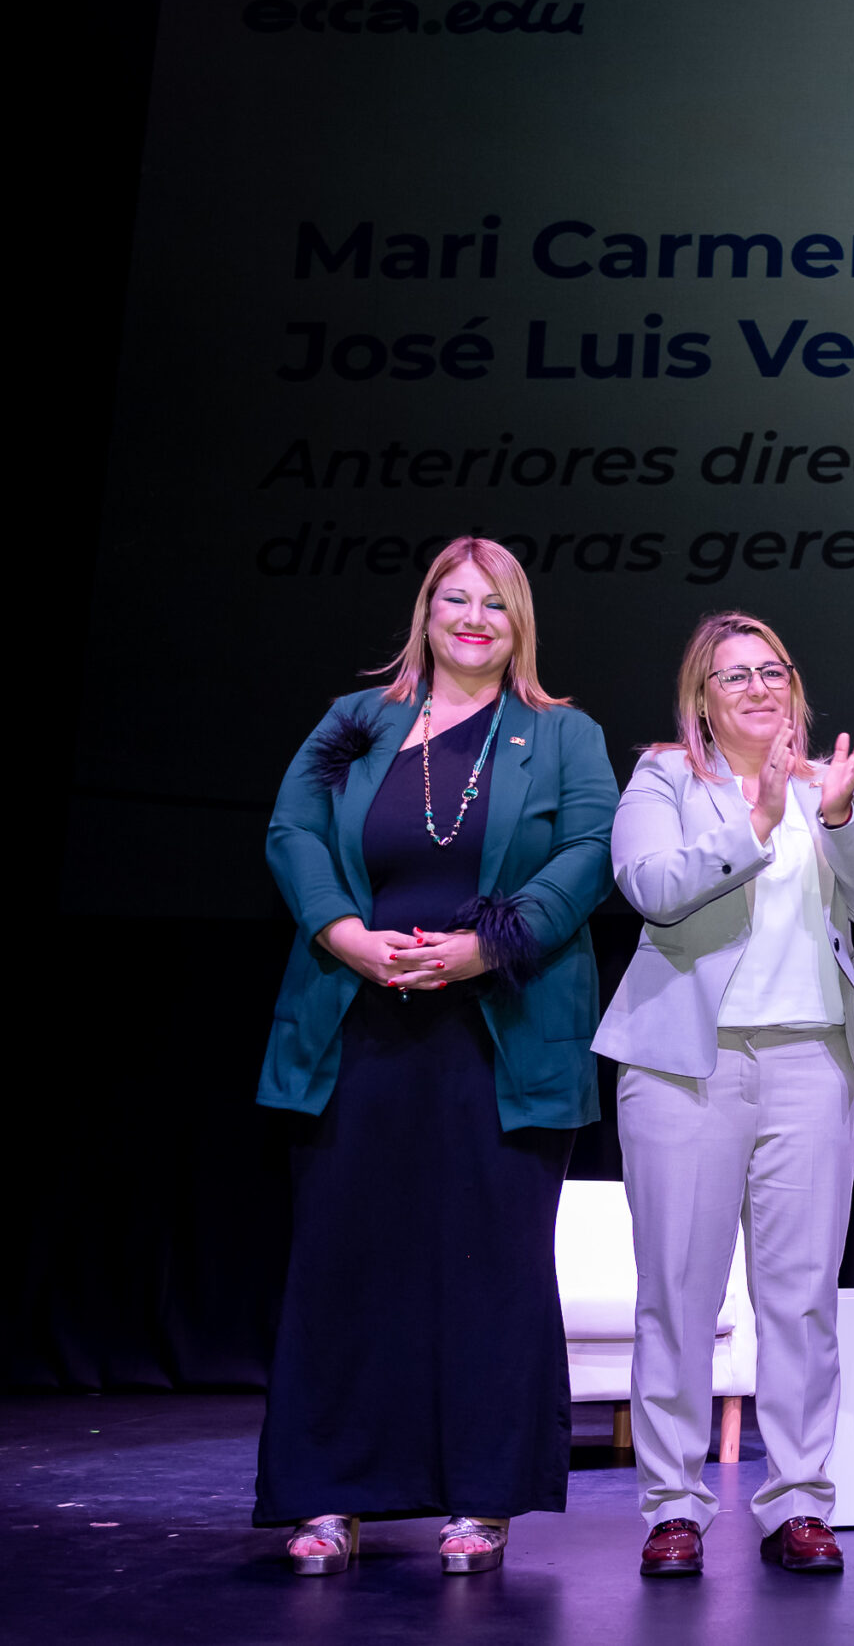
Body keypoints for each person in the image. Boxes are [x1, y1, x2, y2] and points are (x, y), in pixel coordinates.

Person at [254, 536, 616, 1575]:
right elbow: (292, 832)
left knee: (491, 1267)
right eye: (454, 599)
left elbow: (590, 853)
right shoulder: (355, 721)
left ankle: (481, 1499)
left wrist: (482, 947)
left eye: (494, 604)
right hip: (356, 1024)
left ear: (520, 623)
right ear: (425, 612)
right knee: (343, 1261)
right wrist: (346, 936)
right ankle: (328, 1496)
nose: (472, 619)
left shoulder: (564, 734)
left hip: (501, 1031)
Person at [593, 613, 854, 1578]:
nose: (760, 688)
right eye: (735, 676)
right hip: (684, 1067)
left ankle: (800, 1500)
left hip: (812, 1060)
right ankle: (674, 1506)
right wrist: (756, 822)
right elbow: (650, 885)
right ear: (701, 698)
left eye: (774, 671)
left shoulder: (834, 782)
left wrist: (838, 818)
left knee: (801, 1300)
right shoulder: (663, 779)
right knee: (677, 1296)